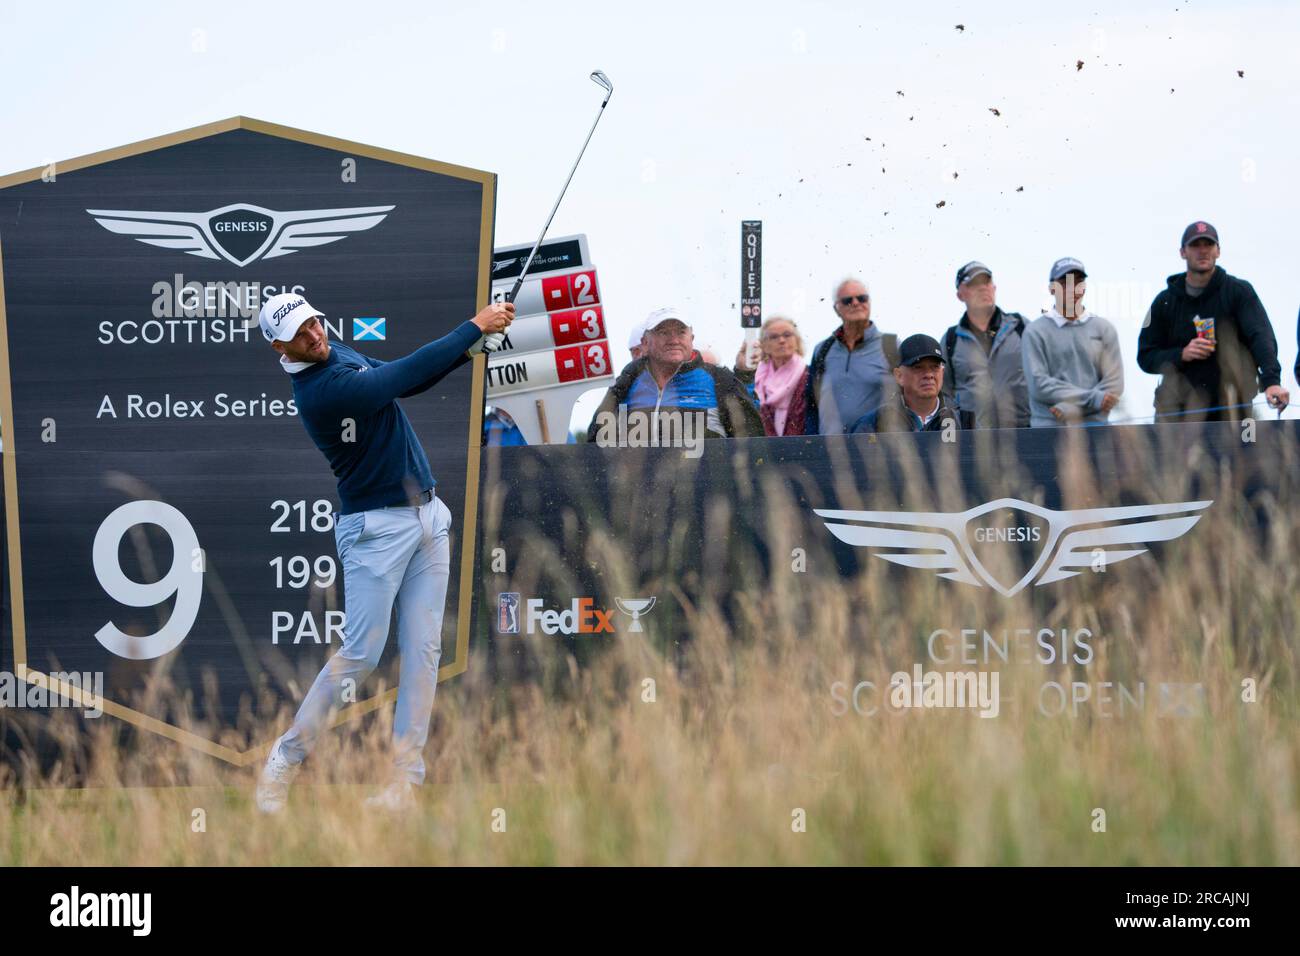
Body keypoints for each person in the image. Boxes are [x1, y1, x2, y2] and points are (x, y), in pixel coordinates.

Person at [255, 292, 513, 814]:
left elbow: (410, 381)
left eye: (315, 323)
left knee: (423, 652)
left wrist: (472, 348)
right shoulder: (320, 391)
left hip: (428, 517)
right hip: (375, 529)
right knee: (361, 654)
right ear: (281, 347)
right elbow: (389, 381)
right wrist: (473, 327)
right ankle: (284, 759)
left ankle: (403, 785)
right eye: (301, 334)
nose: (315, 335)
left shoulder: (335, 351)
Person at [1138, 221, 1288, 421]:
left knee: (1247, 448)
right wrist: (1181, 354)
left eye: (1208, 244)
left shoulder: (1240, 292)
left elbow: (1261, 337)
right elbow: (1145, 356)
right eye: (1195, 245)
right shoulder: (1163, 301)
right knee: (1164, 453)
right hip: (1177, 415)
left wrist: (1271, 381)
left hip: (1235, 410)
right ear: (1182, 252)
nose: (1203, 251)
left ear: (1218, 251)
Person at [586, 307, 763, 440]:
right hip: (640, 488)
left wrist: (745, 376)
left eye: (681, 332)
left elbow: (753, 442)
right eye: (664, 332)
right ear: (645, 343)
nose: (674, 340)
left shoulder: (718, 379)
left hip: (706, 487)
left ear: (691, 339)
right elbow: (595, 444)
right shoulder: (627, 382)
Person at [1022, 258, 1124, 426]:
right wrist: (1093, 399)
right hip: (1049, 433)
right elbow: (1039, 385)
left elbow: (1114, 383)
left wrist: (1070, 408)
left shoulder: (1104, 329)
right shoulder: (1035, 332)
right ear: (1051, 289)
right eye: (1065, 282)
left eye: (1078, 282)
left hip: (1096, 430)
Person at [803, 277, 899, 434]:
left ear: (869, 303)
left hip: (877, 450)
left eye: (862, 298)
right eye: (848, 300)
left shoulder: (891, 345)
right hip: (830, 451)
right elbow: (811, 404)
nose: (855, 303)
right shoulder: (822, 350)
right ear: (836, 308)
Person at [940, 261, 1030, 428]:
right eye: (974, 284)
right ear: (960, 294)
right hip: (974, 439)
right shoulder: (950, 339)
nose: (983, 288)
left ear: (994, 288)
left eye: (986, 282)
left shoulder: (1021, 327)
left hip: (1023, 432)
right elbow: (944, 393)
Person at [851, 334, 964, 433]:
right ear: (899, 376)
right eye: (918, 368)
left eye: (934, 367)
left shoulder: (965, 422)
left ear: (942, 373)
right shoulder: (872, 425)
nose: (929, 375)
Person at [732, 316, 809, 436]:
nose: (782, 340)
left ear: (797, 340)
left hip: (804, 448)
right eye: (774, 337)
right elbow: (745, 411)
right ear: (764, 345)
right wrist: (744, 373)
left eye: (787, 334)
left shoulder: (810, 375)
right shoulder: (756, 376)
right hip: (764, 450)